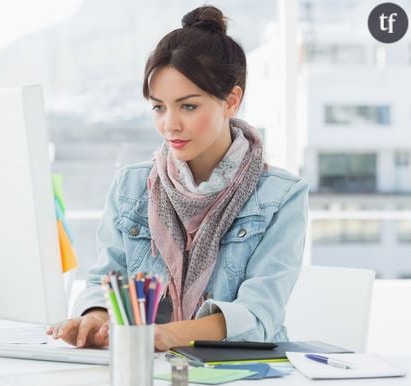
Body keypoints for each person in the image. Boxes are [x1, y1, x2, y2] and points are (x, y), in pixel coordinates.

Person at [47, 5, 308, 351]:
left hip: (241, 369)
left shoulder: (281, 197)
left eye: (188, 106)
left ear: (231, 100)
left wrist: (169, 334)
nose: (170, 124)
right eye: (158, 107)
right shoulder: (131, 187)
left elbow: (259, 315)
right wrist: (94, 318)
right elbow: (106, 281)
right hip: (146, 368)